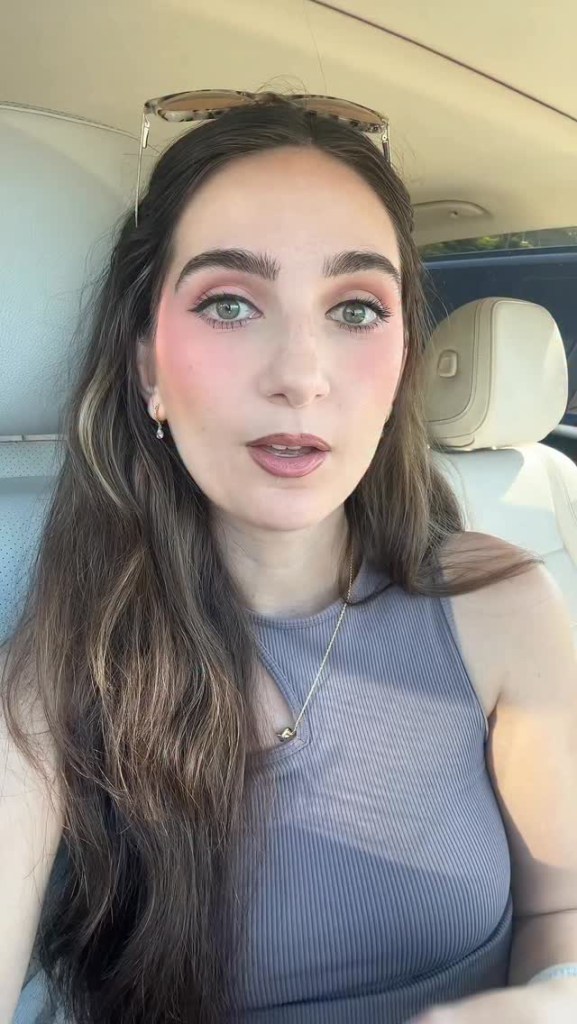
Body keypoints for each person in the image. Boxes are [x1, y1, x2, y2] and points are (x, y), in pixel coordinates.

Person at [2, 92, 577, 1024]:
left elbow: (561, 908)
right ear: (148, 365)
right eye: (230, 303)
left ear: (398, 366)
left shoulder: (502, 603)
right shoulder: (71, 658)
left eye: (354, 309)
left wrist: (549, 1003)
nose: (301, 373)